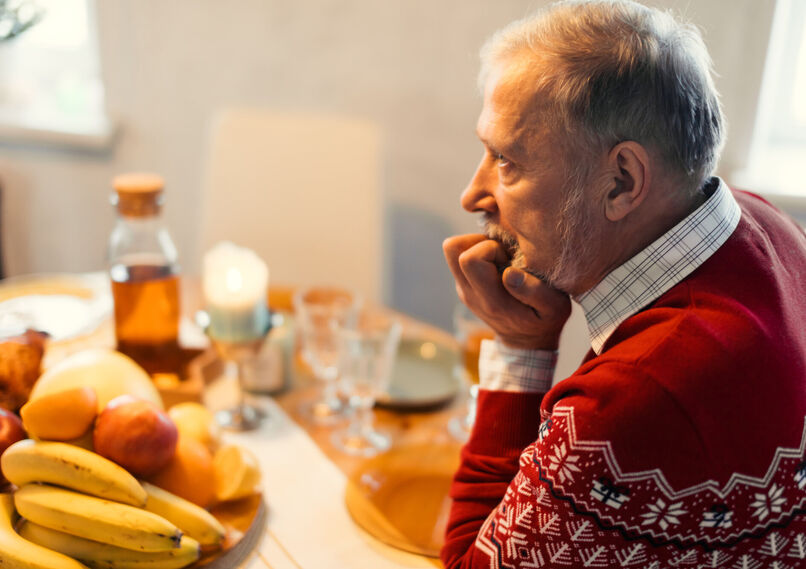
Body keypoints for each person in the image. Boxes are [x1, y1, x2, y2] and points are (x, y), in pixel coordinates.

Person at [441, 1, 806, 567]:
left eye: (505, 160)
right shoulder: (767, 224)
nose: (473, 194)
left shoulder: (635, 397)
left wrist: (520, 348)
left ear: (621, 180)